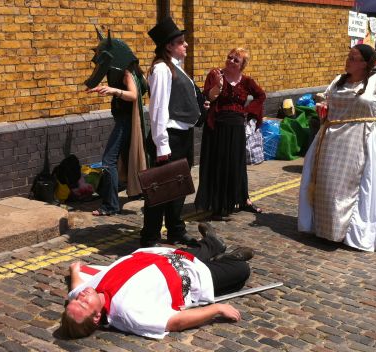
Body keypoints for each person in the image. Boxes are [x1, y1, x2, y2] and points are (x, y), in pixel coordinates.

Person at [298, 44, 376, 252]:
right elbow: (326, 99)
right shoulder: (338, 81)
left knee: (356, 187)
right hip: (332, 139)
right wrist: (322, 106)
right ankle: (326, 230)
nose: (348, 61)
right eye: (348, 56)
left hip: (362, 139)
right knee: (328, 185)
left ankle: (349, 234)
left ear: (365, 63)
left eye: (353, 58)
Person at [60, 223, 254, 339]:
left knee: (204, 249)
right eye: (83, 303)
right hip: (187, 278)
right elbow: (174, 323)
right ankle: (230, 259)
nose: (81, 297)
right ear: (96, 317)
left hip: (164, 257)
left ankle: (213, 244)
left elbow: (75, 289)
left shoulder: (86, 293)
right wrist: (216, 309)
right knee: (241, 270)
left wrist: (75, 270)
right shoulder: (127, 314)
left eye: (76, 301)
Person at [140, 17, 202, 247]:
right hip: (169, 137)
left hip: (182, 135)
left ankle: (176, 230)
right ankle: (150, 236)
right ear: (169, 46)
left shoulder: (175, 67)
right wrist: (162, 145)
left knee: (178, 187)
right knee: (160, 191)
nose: (186, 45)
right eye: (181, 42)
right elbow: (157, 110)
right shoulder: (161, 70)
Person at [195, 48, 266, 221]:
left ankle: (243, 199)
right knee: (219, 164)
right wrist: (218, 86)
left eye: (236, 60)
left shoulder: (246, 81)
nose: (231, 61)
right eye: (229, 57)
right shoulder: (215, 74)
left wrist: (248, 111)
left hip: (236, 128)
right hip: (217, 127)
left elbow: (261, 95)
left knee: (237, 164)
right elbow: (209, 98)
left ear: (242, 65)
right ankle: (218, 204)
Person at [85, 29, 148, 216]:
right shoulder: (132, 70)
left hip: (125, 121)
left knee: (108, 161)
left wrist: (114, 91)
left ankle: (111, 205)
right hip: (127, 120)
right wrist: (103, 88)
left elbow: (134, 94)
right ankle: (139, 192)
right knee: (127, 158)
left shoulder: (127, 72)